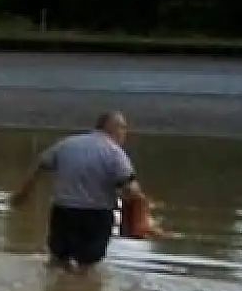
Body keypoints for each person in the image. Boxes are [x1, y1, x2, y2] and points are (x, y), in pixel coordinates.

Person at [9, 111, 149, 271]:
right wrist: (141, 215)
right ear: (112, 128)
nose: (125, 133)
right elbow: (131, 189)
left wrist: (23, 193)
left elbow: (40, 165)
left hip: (64, 212)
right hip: (96, 216)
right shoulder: (115, 153)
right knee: (86, 266)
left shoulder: (67, 144)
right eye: (123, 127)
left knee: (58, 261)